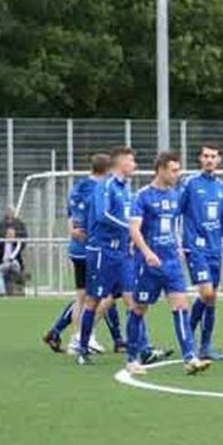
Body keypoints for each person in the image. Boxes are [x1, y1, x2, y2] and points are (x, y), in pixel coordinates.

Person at [126, 152, 211, 376]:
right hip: (148, 265)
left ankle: (190, 357)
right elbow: (134, 229)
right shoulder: (142, 196)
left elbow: (177, 223)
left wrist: (179, 245)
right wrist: (147, 252)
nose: (177, 174)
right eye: (173, 170)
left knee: (181, 307)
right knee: (138, 309)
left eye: (178, 170)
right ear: (161, 170)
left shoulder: (177, 195)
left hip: (172, 262)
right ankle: (132, 358)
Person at [178, 143, 223, 360]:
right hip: (195, 247)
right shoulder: (190, 183)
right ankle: (188, 334)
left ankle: (205, 346)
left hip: (215, 249)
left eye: (213, 156)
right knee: (206, 293)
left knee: (211, 298)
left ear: (219, 160)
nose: (209, 160)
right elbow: (177, 212)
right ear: (200, 159)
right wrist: (178, 242)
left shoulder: (222, 187)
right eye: (205, 156)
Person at [76, 147, 138, 366]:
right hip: (102, 251)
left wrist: (131, 238)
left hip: (122, 253)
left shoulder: (125, 189)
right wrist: (129, 228)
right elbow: (103, 215)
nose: (134, 165)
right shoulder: (106, 185)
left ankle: (139, 348)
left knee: (133, 299)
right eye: (131, 161)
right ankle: (82, 347)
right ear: (121, 163)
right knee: (93, 300)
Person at [43, 153, 111, 354]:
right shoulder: (100, 190)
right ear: (108, 170)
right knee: (103, 296)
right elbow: (100, 218)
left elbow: (70, 218)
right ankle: (84, 336)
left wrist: (73, 231)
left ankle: (76, 338)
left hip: (76, 248)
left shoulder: (78, 188)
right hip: (93, 248)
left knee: (81, 297)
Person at [0, 227, 25, 296]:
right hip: (3, 266)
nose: (11, 236)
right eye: (9, 234)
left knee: (10, 264)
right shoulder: (0, 244)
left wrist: (6, 263)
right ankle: (2, 292)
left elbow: (14, 255)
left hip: (14, 266)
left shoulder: (17, 243)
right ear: (6, 235)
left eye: (12, 235)